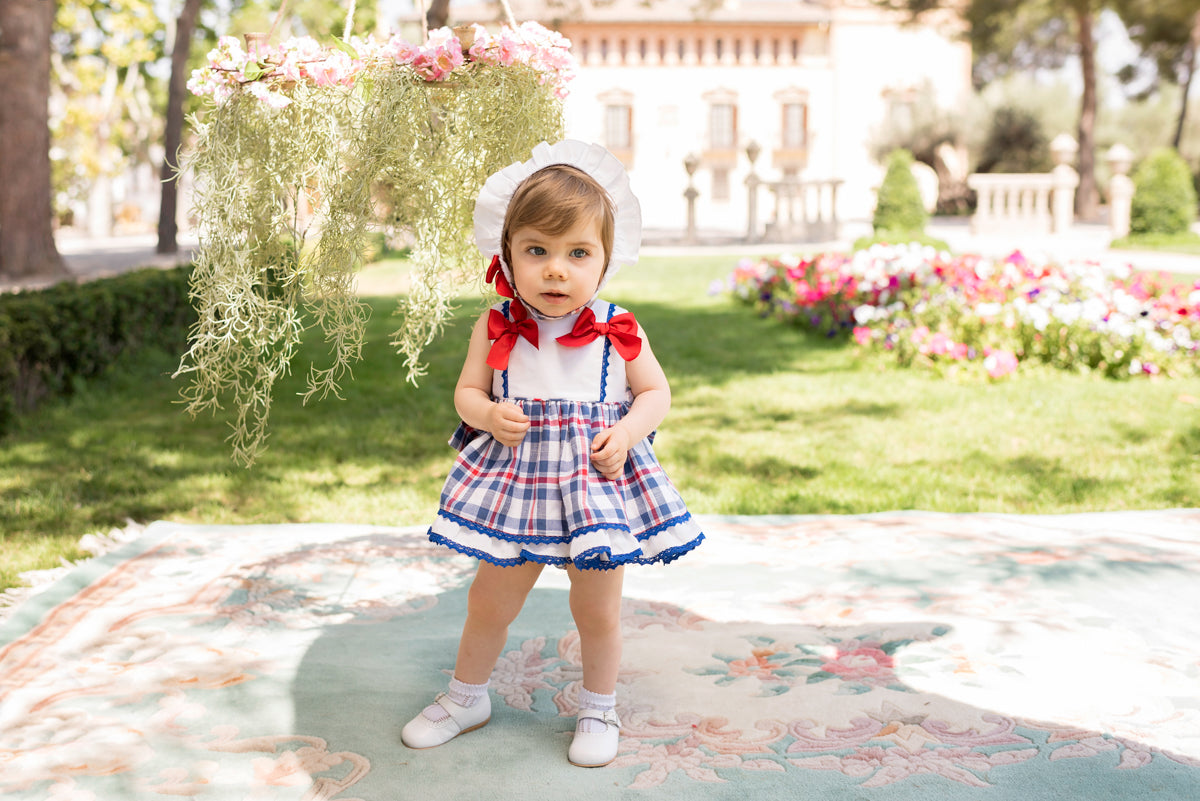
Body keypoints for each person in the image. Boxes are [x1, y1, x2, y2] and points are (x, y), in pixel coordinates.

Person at [400, 140, 705, 768]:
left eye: (577, 253)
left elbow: (655, 391)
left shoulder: (619, 329)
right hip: (519, 483)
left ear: (605, 260)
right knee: (490, 598)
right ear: (507, 255)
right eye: (537, 251)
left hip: (595, 482)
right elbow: (467, 391)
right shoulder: (497, 324)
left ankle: (598, 705)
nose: (556, 270)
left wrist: (626, 433)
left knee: (596, 608)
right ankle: (467, 697)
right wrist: (486, 414)